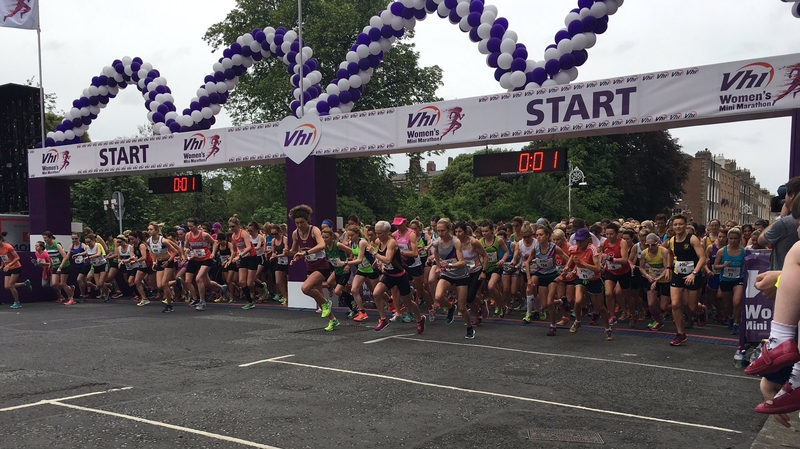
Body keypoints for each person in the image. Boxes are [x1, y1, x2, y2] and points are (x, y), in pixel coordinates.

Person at [289, 204, 338, 331]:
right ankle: (333, 320)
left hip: (322, 266)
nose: (299, 225)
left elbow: (322, 245)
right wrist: (291, 255)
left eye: (302, 222)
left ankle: (327, 303)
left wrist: (305, 253)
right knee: (317, 295)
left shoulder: (314, 230)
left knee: (305, 288)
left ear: (307, 221)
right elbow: (294, 251)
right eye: (297, 223)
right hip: (310, 266)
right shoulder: (295, 233)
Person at [558, 228, 614, 341]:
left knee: (601, 307)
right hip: (581, 278)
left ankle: (607, 328)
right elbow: (569, 263)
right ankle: (577, 321)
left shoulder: (592, 249)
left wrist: (582, 263)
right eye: (577, 241)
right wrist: (564, 273)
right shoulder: (574, 249)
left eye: (581, 241)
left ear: (588, 240)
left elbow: (598, 269)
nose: (579, 243)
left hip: (594, 279)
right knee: (577, 300)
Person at [371, 220, 426, 334]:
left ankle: (420, 319)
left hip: (400, 276)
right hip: (389, 274)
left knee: (408, 304)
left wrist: (374, 254)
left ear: (387, 232)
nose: (377, 236)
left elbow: (387, 259)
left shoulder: (392, 242)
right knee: (376, 293)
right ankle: (383, 319)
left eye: (380, 233)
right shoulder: (379, 241)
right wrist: (378, 261)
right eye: (376, 233)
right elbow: (382, 256)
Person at [666, 214, 709, 346]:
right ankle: (680, 334)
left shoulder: (692, 239)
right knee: (675, 304)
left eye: (680, 224)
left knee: (692, 306)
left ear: (685, 225)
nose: (678, 226)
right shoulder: (672, 241)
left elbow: (702, 257)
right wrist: (668, 268)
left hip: (693, 274)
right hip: (678, 273)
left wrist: (694, 273)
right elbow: (670, 253)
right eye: (675, 224)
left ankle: (701, 310)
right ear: (672, 226)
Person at [433, 219, 475, 339]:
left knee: (462, 307)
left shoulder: (456, 242)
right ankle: (451, 308)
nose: (440, 233)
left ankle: (469, 326)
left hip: (461, 275)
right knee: (438, 296)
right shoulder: (437, 243)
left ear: (449, 230)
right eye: (438, 231)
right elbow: (436, 253)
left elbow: (462, 262)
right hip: (447, 274)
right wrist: (437, 266)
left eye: (443, 231)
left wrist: (449, 265)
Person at [759, 177, 800, 271]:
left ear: (791, 195)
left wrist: (781, 217)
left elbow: (761, 240)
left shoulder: (785, 222)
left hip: (782, 276)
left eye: (786, 194)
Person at [714, 227, 746, 335]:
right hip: (725, 279)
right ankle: (731, 317)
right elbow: (715, 266)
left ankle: (736, 324)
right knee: (727, 304)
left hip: (738, 279)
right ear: (728, 238)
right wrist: (723, 265)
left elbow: (745, 266)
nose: (733, 241)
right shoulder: (721, 251)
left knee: (737, 301)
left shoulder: (744, 251)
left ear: (739, 239)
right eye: (731, 238)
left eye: (735, 238)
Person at [147, 223, 184, 312]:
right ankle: (176, 281)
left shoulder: (163, 241)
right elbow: (151, 252)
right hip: (160, 263)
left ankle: (169, 305)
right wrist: (154, 262)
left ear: (156, 230)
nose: (149, 231)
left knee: (164, 284)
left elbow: (175, 251)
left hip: (168, 262)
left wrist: (168, 261)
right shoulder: (149, 241)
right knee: (159, 285)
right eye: (148, 229)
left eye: (151, 229)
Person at [640, 233, 671, 331]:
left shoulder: (664, 252)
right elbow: (641, 267)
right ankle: (658, 321)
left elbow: (667, 269)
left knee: (664, 306)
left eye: (653, 245)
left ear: (657, 243)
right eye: (648, 245)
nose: (650, 247)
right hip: (652, 278)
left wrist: (657, 279)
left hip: (665, 279)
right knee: (651, 304)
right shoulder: (644, 253)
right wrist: (647, 275)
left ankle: (677, 308)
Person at [0, 232, 31, 308]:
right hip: (8, 268)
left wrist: (9, 264)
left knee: (11, 285)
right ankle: (24, 284)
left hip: (16, 267)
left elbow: (17, 258)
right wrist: (2, 266)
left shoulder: (8, 247)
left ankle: (17, 302)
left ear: (0, 240)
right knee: (7, 286)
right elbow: (3, 257)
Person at [43, 231, 73, 303]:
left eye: (46, 238)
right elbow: (51, 256)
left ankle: (71, 298)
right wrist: (50, 263)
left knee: (63, 283)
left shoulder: (57, 245)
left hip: (64, 265)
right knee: (54, 283)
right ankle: (69, 288)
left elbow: (65, 257)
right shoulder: (46, 245)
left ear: (50, 238)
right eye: (44, 238)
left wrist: (60, 267)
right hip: (55, 265)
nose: (45, 240)